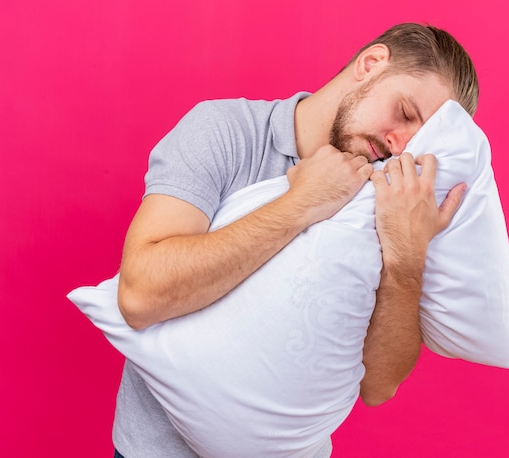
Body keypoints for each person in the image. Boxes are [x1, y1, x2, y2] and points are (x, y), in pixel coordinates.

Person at [112, 22, 478, 458]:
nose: (398, 143)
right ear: (371, 63)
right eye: (403, 111)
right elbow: (139, 297)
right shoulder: (227, 132)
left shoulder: (392, 201)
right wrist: (301, 203)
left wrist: (406, 257)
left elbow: (379, 386)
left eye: (417, 140)